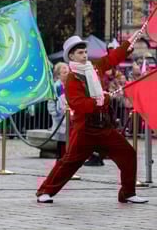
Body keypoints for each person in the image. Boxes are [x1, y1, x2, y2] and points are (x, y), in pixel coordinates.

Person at [36, 35, 148, 204]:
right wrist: (100, 100)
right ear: (71, 56)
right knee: (69, 163)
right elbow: (78, 104)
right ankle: (45, 191)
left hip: (103, 127)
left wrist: (127, 44)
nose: (85, 55)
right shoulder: (72, 79)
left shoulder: (94, 67)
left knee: (128, 154)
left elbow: (112, 58)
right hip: (85, 130)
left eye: (86, 52)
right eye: (80, 52)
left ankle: (127, 193)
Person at [47, 63, 70, 159]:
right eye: (64, 72)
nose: (66, 74)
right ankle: (60, 159)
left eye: (67, 72)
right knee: (61, 141)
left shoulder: (71, 85)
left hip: (70, 117)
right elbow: (51, 102)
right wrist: (55, 113)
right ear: (58, 75)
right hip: (60, 118)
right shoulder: (55, 87)